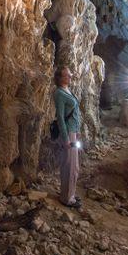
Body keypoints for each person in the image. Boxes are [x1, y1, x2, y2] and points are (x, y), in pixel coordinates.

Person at [53, 66, 82, 208]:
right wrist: (66, 139)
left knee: (74, 166)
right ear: (60, 78)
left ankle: (70, 193)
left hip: (73, 131)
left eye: (70, 74)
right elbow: (60, 117)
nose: (70, 76)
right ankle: (67, 198)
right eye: (67, 75)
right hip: (68, 134)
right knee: (69, 166)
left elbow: (74, 112)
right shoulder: (59, 93)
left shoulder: (67, 90)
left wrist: (77, 131)